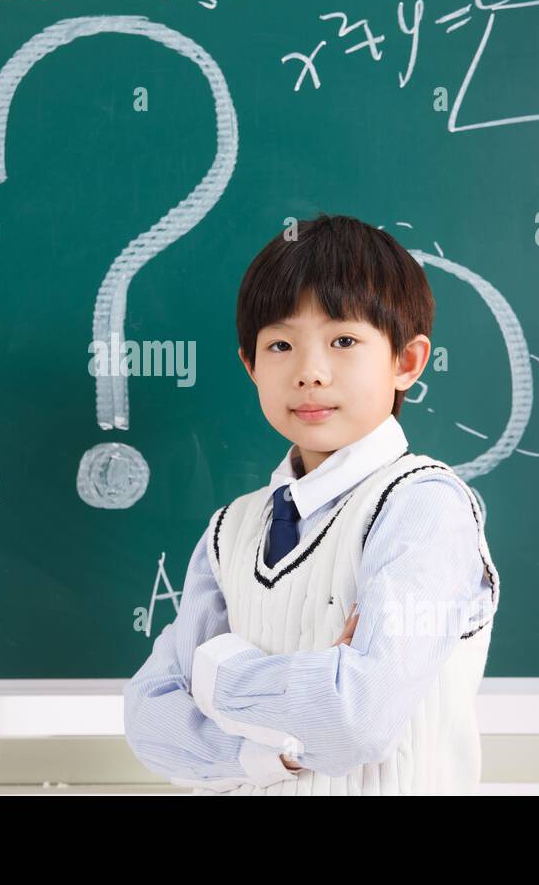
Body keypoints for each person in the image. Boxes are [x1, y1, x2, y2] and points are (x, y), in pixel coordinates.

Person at [123, 214, 500, 794]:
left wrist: (216, 676)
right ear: (250, 366)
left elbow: (357, 718)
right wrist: (284, 746)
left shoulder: (423, 507)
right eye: (280, 344)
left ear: (406, 362)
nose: (309, 372)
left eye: (344, 340)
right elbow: (150, 721)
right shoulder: (231, 530)